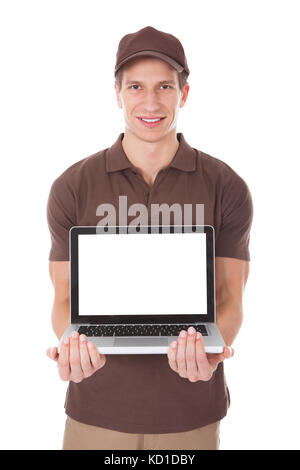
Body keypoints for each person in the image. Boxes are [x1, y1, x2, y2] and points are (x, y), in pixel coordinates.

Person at [46, 26, 253, 450]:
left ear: (184, 93)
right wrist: (75, 346)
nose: (151, 102)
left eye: (165, 86)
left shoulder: (225, 186)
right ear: (117, 94)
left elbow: (231, 297)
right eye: (136, 86)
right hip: (97, 410)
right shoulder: (73, 186)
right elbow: (65, 299)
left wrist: (215, 351)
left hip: (190, 411)